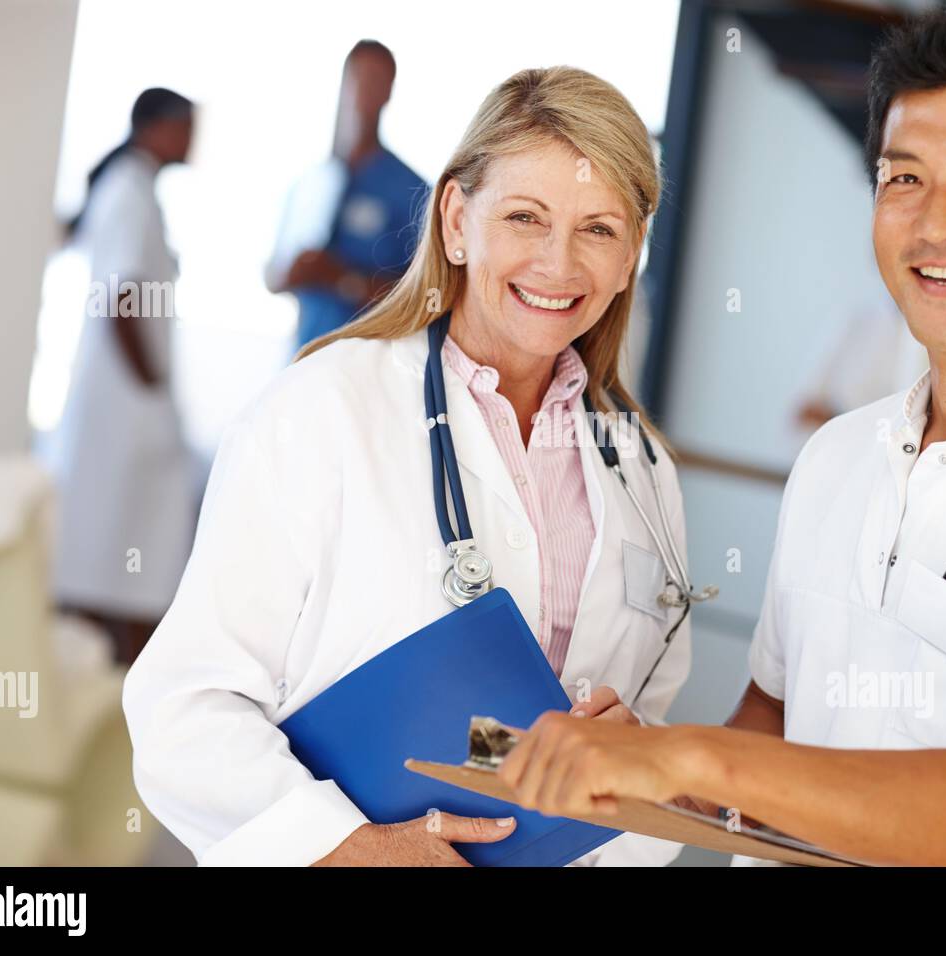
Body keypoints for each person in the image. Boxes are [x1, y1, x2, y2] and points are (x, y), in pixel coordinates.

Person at [495, 0, 946, 867]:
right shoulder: (839, 457)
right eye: (904, 177)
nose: (936, 222)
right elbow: (770, 726)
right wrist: (634, 766)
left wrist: (684, 755)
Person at [123, 67, 698, 866]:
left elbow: (651, 726)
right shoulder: (321, 412)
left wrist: (637, 771)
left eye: (599, 229)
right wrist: (350, 847)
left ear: (633, 249)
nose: (559, 264)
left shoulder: (641, 471)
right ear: (458, 220)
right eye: (526, 217)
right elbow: (182, 708)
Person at [52, 88, 197, 665]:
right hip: (127, 402)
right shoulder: (131, 193)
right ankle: (123, 674)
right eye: (186, 127)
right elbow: (124, 297)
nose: (192, 140)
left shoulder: (134, 190)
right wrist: (150, 385)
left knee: (119, 541)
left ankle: (115, 672)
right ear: (157, 129)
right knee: (124, 543)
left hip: (120, 403)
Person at [265, 40, 427, 350]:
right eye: (359, 78)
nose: (365, 91)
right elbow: (273, 276)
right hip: (302, 359)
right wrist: (296, 271)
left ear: (390, 90)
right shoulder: (311, 180)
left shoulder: (412, 191)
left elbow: (424, 300)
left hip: (366, 368)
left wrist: (342, 279)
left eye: (377, 80)